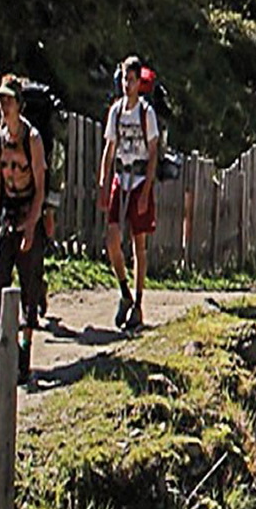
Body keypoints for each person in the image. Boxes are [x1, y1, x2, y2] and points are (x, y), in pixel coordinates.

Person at [0, 74, 46, 387]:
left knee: (29, 287)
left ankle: (24, 354)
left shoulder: (32, 139)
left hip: (29, 212)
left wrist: (32, 227)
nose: (3, 106)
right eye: (1, 100)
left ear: (19, 104)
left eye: (8, 100)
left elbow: (40, 188)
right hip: (8, 214)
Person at [99, 55, 158, 333]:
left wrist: (146, 190)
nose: (127, 84)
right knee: (112, 239)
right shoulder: (116, 111)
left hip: (139, 179)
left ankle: (139, 303)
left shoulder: (146, 113)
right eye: (124, 79)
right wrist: (103, 183)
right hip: (120, 177)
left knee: (138, 244)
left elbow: (154, 151)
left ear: (139, 82)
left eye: (131, 79)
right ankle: (124, 291)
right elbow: (109, 148)